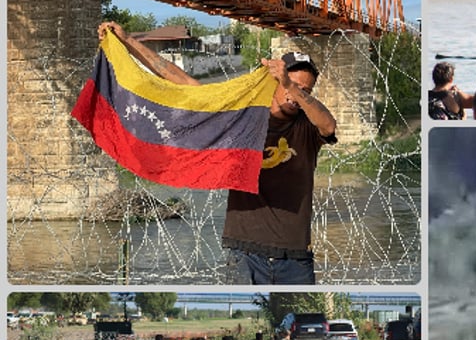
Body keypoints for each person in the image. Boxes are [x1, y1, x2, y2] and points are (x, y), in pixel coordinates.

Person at [96, 21, 338, 286]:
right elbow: (184, 82)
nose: (297, 94)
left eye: (306, 90)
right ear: (273, 80)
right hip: (244, 251)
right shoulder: (243, 116)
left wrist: (291, 87)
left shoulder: (307, 128)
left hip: (295, 256)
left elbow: (328, 124)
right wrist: (128, 40)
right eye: (291, 83)